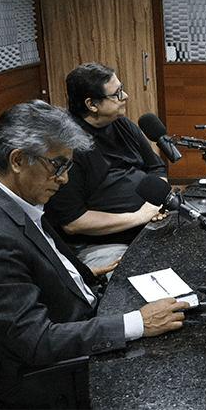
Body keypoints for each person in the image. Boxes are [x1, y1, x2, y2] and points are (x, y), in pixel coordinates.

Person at [0, 100, 187, 409]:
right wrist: (138, 323)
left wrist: (84, 274)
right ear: (18, 160)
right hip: (49, 380)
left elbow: (33, 265)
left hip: (75, 326)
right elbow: (36, 341)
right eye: (58, 166)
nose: (64, 179)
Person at [43, 62, 168, 267]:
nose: (125, 96)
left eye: (122, 88)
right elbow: (73, 222)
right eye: (117, 93)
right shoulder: (66, 145)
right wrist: (138, 216)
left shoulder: (120, 122)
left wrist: (155, 203)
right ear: (92, 105)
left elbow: (156, 167)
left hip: (148, 222)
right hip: (103, 244)